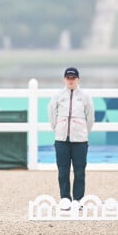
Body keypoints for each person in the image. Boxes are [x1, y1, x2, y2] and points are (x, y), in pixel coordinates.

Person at [48, 67, 95, 204]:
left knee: (80, 172)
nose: (70, 80)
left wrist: (83, 132)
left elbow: (90, 117)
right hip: (61, 140)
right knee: (63, 172)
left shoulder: (85, 97)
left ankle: (78, 200)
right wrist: (57, 129)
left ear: (78, 79)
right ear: (64, 79)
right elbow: (52, 114)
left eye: (73, 78)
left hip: (80, 141)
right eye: (68, 78)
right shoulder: (57, 96)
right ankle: (65, 199)